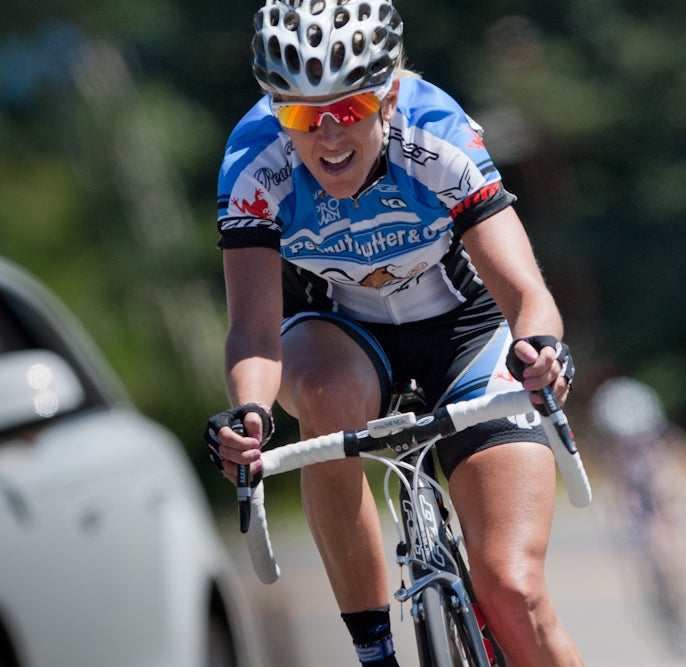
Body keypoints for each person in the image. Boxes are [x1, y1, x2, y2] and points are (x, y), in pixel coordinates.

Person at [202, 1, 584, 665]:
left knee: (513, 590)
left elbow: (526, 293)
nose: (326, 135)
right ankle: (375, 650)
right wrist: (250, 413)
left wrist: (541, 348)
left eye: (347, 109)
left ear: (386, 96)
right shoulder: (253, 161)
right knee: (320, 392)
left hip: (466, 332)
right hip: (338, 336)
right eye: (299, 113)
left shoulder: (433, 129)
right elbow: (255, 331)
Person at [588, 376, 686, 659]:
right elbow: (613, 486)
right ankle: (657, 602)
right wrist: (615, 511)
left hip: (665, 495)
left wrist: (678, 496)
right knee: (643, 552)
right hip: (634, 504)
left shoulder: (664, 440)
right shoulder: (610, 450)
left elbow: (683, 473)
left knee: (677, 548)